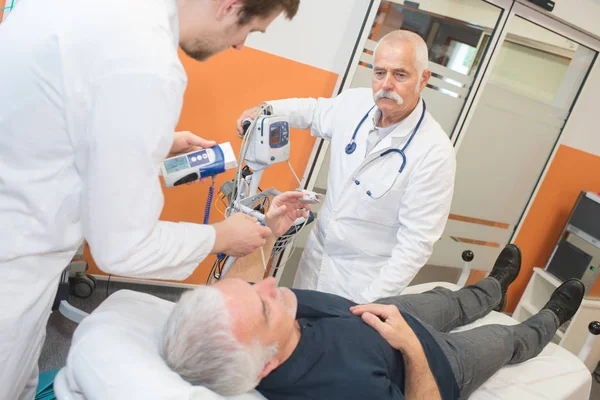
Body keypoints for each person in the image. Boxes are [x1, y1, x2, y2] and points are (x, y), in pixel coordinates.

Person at [0, 0, 300, 398]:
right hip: (15, 259)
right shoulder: (147, 64)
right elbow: (123, 249)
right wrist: (220, 237)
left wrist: (152, 145)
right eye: (251, 30)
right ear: (231, 6)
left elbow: (60, 121)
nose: (242, 44)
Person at [161, 235, 585, 399]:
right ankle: (549, 320)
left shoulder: (247, 330)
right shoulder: (340, 392)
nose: (273, 285)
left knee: (454, 299)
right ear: (266, 363)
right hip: (436, 363)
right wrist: (413, 348)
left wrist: (267, 230)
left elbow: (249, 286)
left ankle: (494, 288)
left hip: (381, 314)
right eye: (264, 304)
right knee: (503, 339)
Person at [236, 30, 456, 303]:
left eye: (400, 75)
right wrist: (265, 109)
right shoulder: (355, 104)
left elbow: (416, 245)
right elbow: (313, 111)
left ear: (423, 79)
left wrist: (370, 302)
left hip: (364, 283)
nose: (386, 84)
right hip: (316, 260)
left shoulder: (434, 151)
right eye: (379, 73)